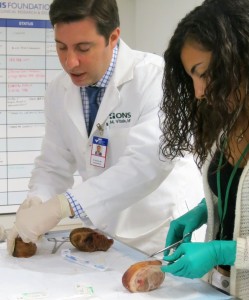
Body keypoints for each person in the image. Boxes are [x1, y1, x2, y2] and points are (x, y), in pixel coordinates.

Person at [7, 0, 203, 256]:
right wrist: (38, 200)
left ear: (113, 37)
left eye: (83, 48)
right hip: (105, 235)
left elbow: (146, 164)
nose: (70, 62)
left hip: (162, 233)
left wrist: (63, 206)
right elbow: (54, 164)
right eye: (61, 47)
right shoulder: (59, 91)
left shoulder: (156, 78)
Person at [159, 0, 249, 298]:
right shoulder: (228, 123)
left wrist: (222, 251)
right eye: (191, 78)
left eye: (204, 73)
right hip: (221, 287)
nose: (199, 92)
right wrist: (204, 209)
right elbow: (237, 189)